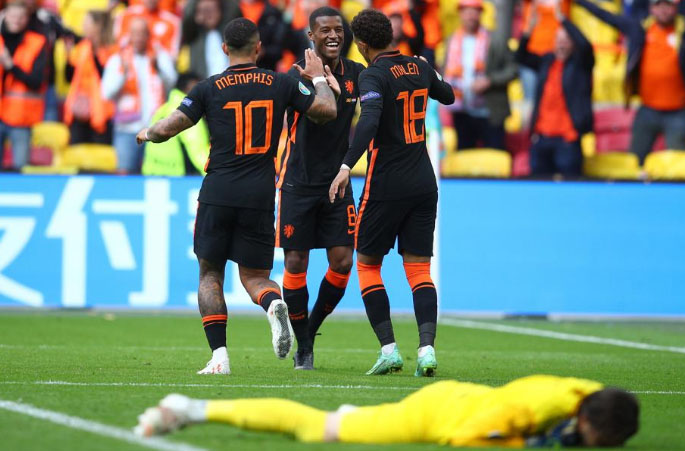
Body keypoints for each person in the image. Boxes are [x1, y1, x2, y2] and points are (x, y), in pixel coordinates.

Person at [135, 18, 338, 375]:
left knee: (210, 273)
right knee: (256, 277)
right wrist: (319, 78)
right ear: (258, 47)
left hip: (219, 190)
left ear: (225, 48)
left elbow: (171, 127)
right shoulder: (281, 83)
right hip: (259, 193)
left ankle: (219, 357)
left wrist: (148, 133)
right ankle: (273, 303)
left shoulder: (208, 87)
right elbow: (327, 111)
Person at [329, 9, 454, 377]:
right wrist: (430, 70)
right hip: (423, 181)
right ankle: (427, 350)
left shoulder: (373, 74)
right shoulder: (419, 66)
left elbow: (369, 120)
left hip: (386, 183)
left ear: (362, 45)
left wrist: (346, 164)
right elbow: (447, 96)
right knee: (418, 269)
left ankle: (389, 349)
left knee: (368, 264)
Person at [135, 374, 640, 448]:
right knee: (320, 429)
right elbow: (465, 438)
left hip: (464, 396)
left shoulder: (588, 394)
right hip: (440, 416)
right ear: (585, 420)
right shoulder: (524, 410)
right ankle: (191, 408)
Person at [276, 6, 365, 370]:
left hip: (337, 181)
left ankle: (308, 334)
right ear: (311, 36)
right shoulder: (296, 75)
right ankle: (304, 343)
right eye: (325, 30)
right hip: (298, 182)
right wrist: (319, 81)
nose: (333, 35)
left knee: (342, 261)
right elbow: (321, 113)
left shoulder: (356, 74)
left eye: (338, 30)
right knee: (296, 262)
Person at [576, 0, 685, 163]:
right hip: (648, 109)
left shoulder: (684, 32)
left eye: (668, 5)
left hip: (677, 111)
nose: (663, 10)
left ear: (676, 8)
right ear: (651, 8)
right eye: (658, 5)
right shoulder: (641, 29)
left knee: (677, 162)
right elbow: (608, 17)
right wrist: (579, 2)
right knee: (635, 160)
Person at [517, 4, 593, 177]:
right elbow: (520, 56)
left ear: (573, 44)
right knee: (538, 185)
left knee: (571, 185)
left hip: (568, 139)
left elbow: (586, 46)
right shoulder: (547, 61)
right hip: (542, 138)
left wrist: (564, 21)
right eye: (558, 40)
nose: (561, 44)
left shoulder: (580, 65)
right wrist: (528, 30)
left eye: (566, 40)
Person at [102, 17, 177, 174]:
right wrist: (122, 74)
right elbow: (106, 93)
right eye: (135, 33)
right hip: (127, 129)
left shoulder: (159, 56)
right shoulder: (118, 59)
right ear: (129, 35)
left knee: (155, 174)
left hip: (156, 128)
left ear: (148, 35)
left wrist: (158, 68)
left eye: (143, 33)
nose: (139, 37)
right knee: (125, 174)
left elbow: (172, 85)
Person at [443, 0, 518, 150]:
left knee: (494, 155)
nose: (470, 16)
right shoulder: (451, 40)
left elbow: (513, 69)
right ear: (460, 14)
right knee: (464, 157)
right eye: (467, 12)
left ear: (480, 14)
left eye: (474, 12)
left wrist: (490, 81)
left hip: (489, 112)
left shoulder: (495, 39)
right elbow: (445, 70)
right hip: (462, 112)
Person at [0, 0, 47, 171]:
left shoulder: (37, 42)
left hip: (20, 117)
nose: (16, 21)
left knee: (21, 169)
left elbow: (37, 80)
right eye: (13, 16)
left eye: (21, 17)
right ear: (5, 15)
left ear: (27, 18)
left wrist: (11, 66)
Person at [141, 72, 209, 176]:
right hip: (178, 178)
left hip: (151, 175)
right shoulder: (188, 114)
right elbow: (199, 153)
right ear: (190, 89)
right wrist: (216, 175)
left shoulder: (162, 109)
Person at [64, 11, 116, 145]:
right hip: (80, 110)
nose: (83, 26)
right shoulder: (83, 47)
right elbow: (69, 78)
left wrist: (95, 53)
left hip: (102, 112)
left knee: (100, 152)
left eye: (87, 23)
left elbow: (106, 78)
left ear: (98, 26)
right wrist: (68, 55)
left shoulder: (111, 50)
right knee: (77, 149)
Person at [182, 0, 240, 79]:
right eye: (204, 11)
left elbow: (234, 8)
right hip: (205, 83)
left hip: (231, 82)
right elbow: (187, 16)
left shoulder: (230, 30)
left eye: (212, 10)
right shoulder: (195, 35)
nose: (209, 15)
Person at [114, 0, 181, 58]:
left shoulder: (172, 22)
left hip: (156, 64)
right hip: (130, 61)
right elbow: (119, 45)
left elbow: (172, 55)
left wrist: (155, 48)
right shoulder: (127, 15)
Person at [238, 0, 287, 71]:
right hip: (236, 68)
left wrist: (264, 51)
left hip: (266, 68)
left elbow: (281, 47)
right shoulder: (232, 10)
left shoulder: (273, 13)